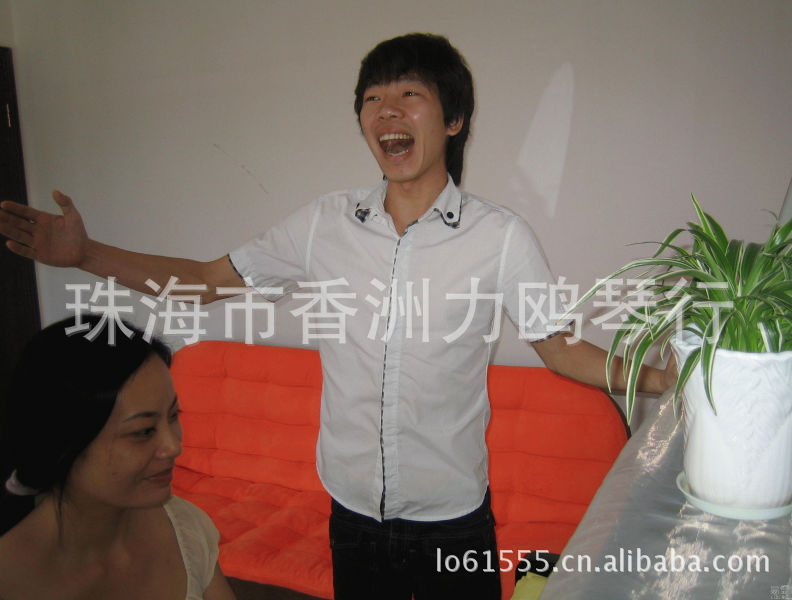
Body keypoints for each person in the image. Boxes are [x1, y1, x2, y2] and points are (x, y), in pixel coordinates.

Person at [0, 33, 674, 599]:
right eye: (372, 98)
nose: (387, 110)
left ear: (454, 119)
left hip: (453, 518)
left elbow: (561, 348)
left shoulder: (500, 238)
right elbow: (205, 282)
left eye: (409, 93)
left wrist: (661, 380)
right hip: (352, 518)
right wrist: (87, 255)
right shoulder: (325, 224)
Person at [0, 315, 236, 600]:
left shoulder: (185, 528)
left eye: (174, 415)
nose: (173, 446)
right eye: (143, 431)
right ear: (61, 446)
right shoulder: (11, 576)